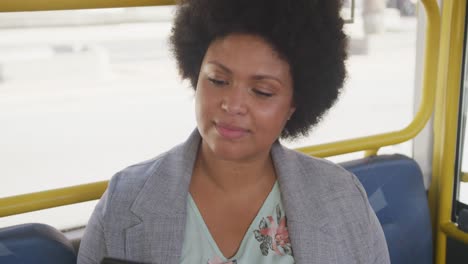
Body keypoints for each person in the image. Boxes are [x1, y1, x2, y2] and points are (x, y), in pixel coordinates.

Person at [78, 0, 390, 263]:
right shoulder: (122, 202)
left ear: (294, 104)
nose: (233, 104)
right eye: (217, 80)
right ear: (195, 74)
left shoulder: (343, 199)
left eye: (262, 91)